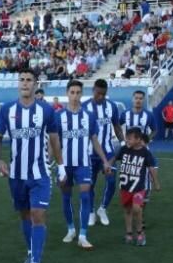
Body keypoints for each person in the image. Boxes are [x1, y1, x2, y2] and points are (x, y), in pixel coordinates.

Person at [0, 68, 61, 263]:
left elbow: (54, 140)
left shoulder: (46, 111)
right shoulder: (7, 110)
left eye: (29, 80)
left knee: (38, 214)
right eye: (21, 79)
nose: (24, 83)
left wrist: (61, 165)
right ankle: (31, 251)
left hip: (40, 174)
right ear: (17, 83)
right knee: (24, 216)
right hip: (17, 176)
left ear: (35, 83)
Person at [56, 79, 109, 249]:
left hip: (83, 163)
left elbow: (94, 140)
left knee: (85, 194)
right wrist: (52, 164)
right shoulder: (58, 117)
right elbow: (54, 143)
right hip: (64, 165)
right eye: (72, 92)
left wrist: (105, 160)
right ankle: (71, 229)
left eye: (78, 93)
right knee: (66, 197)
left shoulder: (89, 116)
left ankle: (83, 235)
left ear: (82, 94)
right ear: (67, 93)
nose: (75, 96)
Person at [84, 79, 124, 227]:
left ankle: (103, 209)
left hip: (108, 151)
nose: (100, 97)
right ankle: (91, 212)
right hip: (89, 153)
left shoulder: (112, 107)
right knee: (90, 185)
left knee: (112, 181)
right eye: (98, 93)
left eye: (103, 94)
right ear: (93, 90)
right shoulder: (84, 107)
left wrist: (123, 143)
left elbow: (117, 127)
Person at [112, 127, 160, 247]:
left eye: (129, 139)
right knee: (127, 210)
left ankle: (140, 233)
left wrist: (156, 183)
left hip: (139, 188)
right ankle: (128, 233)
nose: (127, 141)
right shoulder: (124, 150)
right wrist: (108, 164)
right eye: (126, 138)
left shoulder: (145, 152)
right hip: (124, 187)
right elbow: (114, 158)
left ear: (138, 139)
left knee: (137, 209)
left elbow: (151, 168)